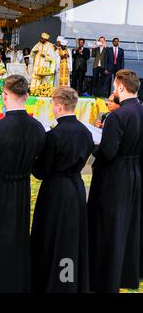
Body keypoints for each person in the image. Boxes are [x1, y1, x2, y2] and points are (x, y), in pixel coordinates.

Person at [0, 74, 46, 293]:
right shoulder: (38, 128)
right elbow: (39, 167)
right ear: (26, 96)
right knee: (18, 237)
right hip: (22, 189)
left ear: (5, 95)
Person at [31, 87, 94, 293]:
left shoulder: (54, 135)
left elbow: (41, 171)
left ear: (58, 106)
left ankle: (54, 281)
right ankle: (69, 281)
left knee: (52, 235)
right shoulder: (85, 132)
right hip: (76, 188)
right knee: (72, 236)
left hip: (56, 190)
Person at [88, 69, 143, 293]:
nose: (113, 90)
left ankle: (106, 277)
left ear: (121, 87)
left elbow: (108, 152)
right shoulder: (140, 110)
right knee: (129, 225)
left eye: (114, 86)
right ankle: (126, 274)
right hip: (134, 172)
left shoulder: (117, 116)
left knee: (109, 227)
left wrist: (93, 145)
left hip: (115, 175)